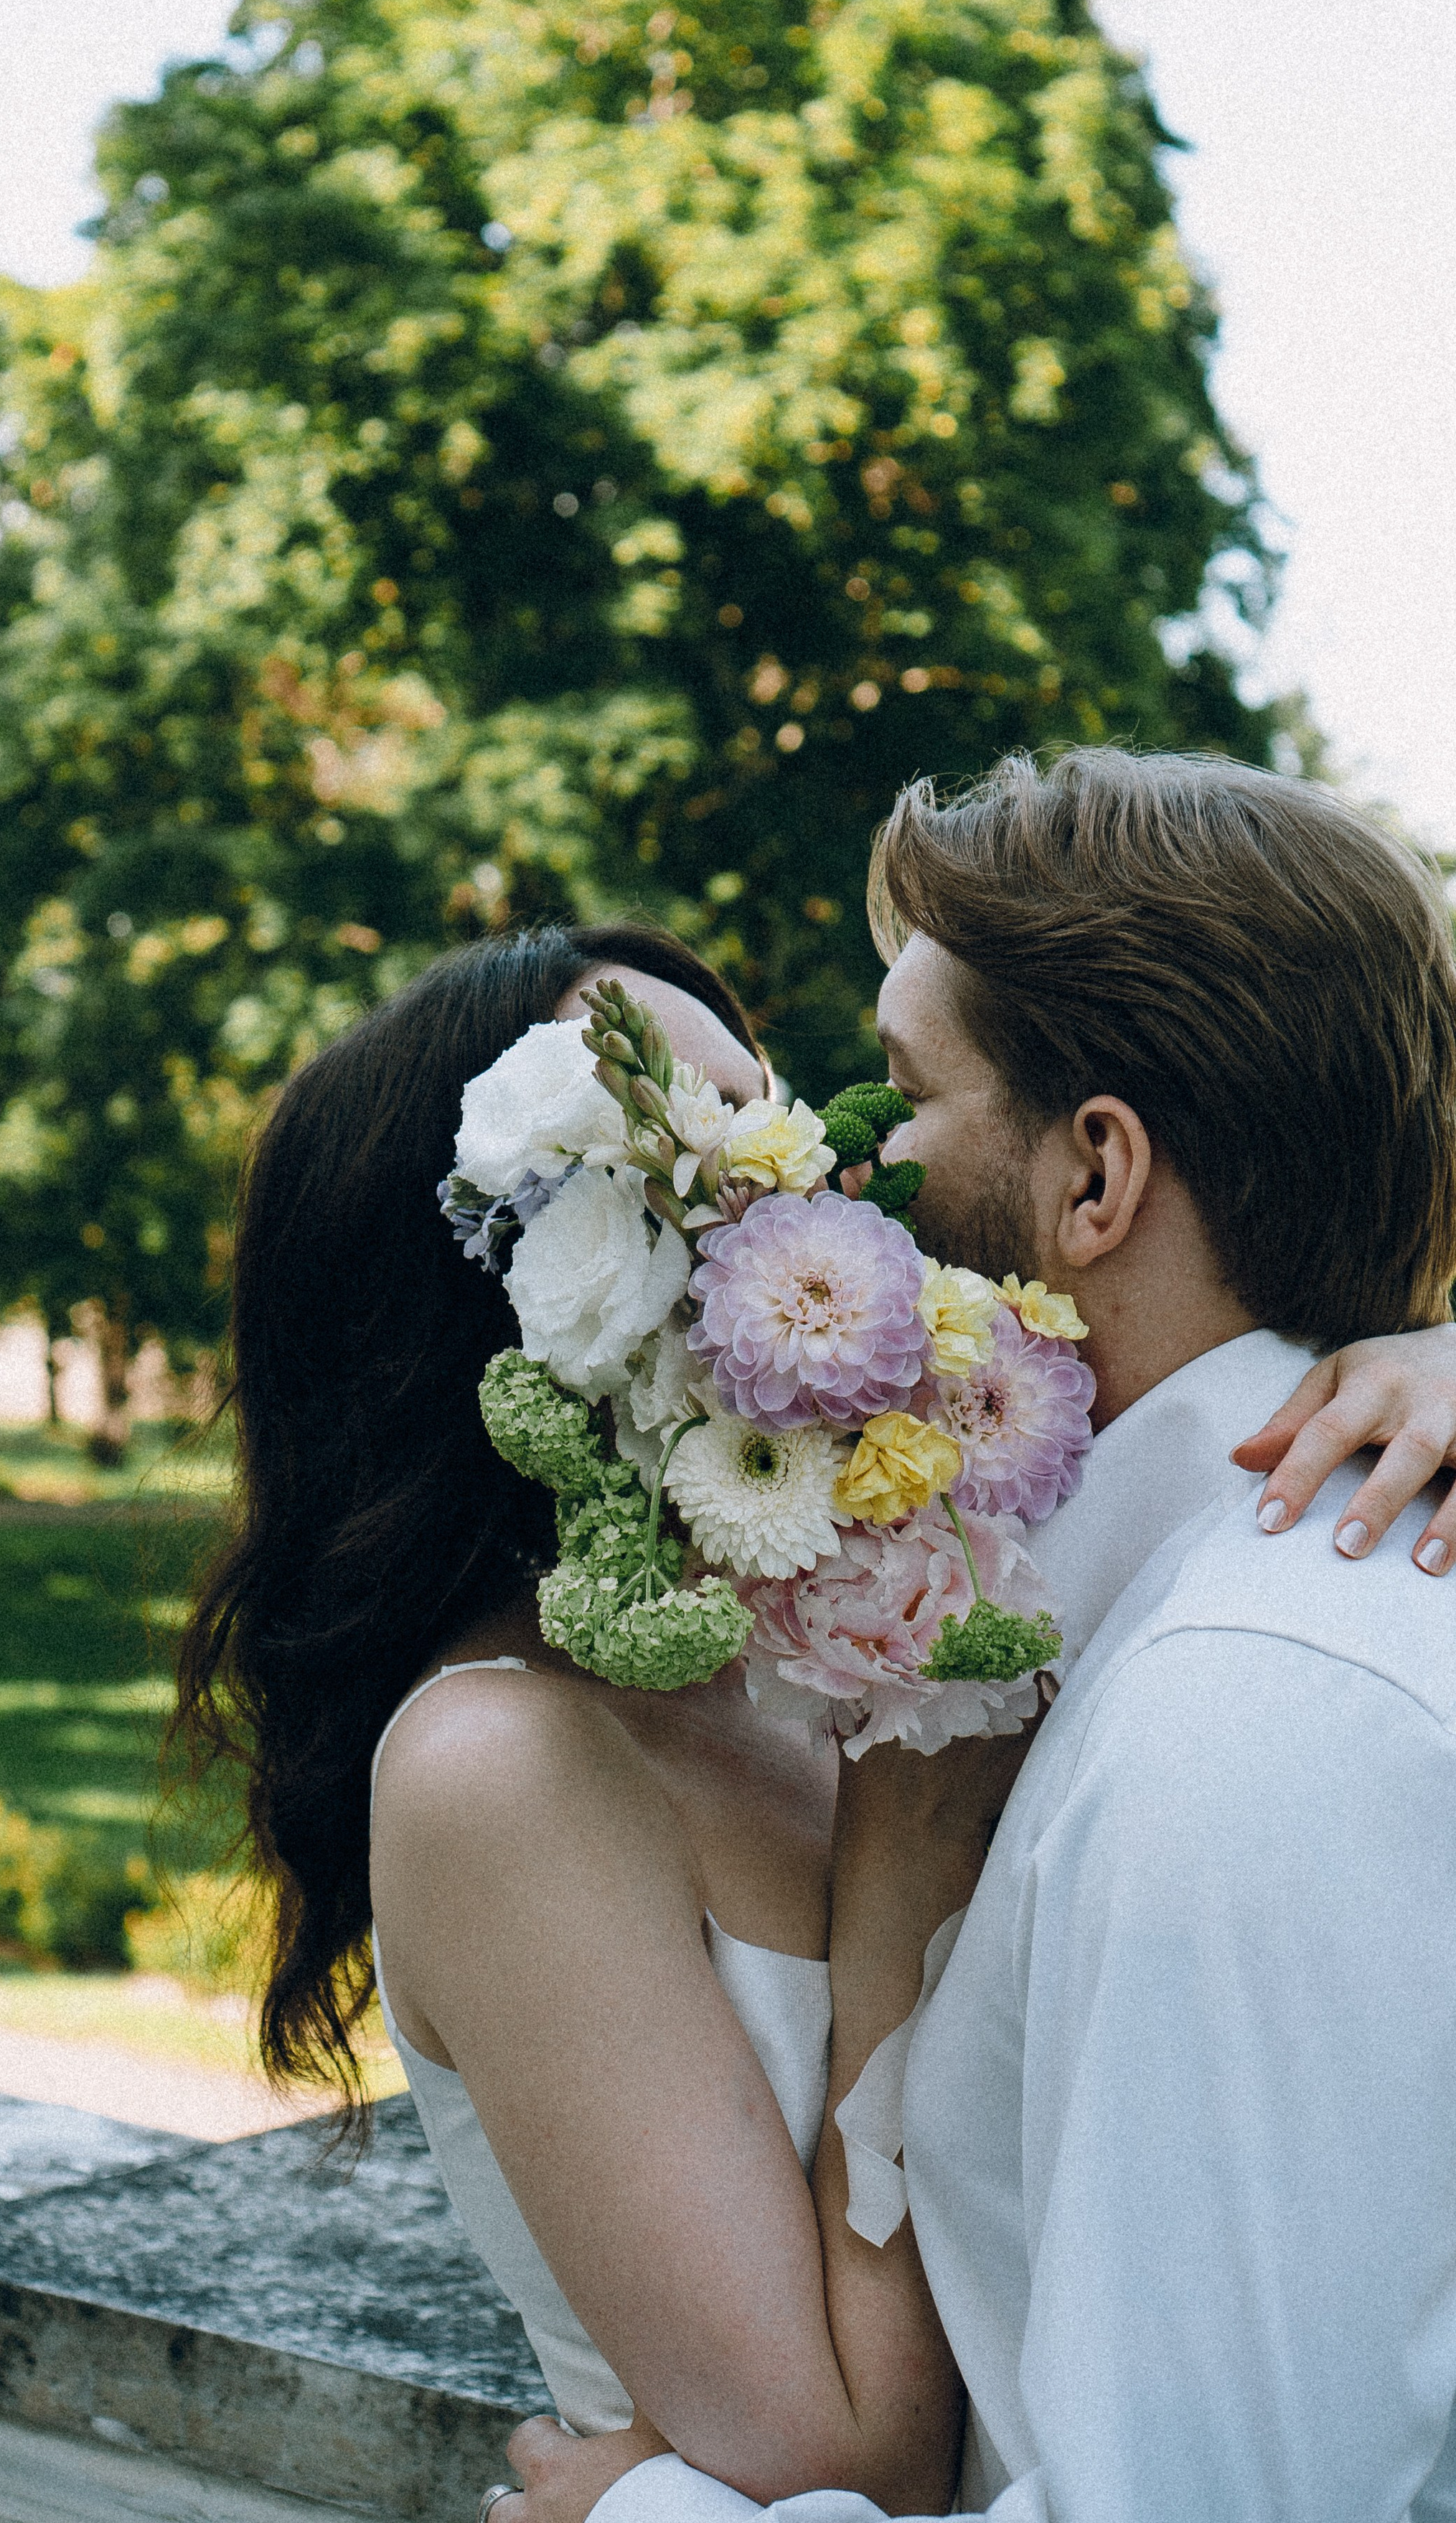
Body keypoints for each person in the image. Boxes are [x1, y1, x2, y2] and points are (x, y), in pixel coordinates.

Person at [169, 887, 1456, 2509]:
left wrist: (1419, 1355)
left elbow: (1200, 1429)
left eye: (770, 1110)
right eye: (705, 1145)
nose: (823, 1176)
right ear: (514, 1273)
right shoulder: (500, 1763)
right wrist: (893, 1891)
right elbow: (841, 2466)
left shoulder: (851, 1612)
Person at [501, 749, 1456, 2523]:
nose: (832, 1185)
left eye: (893, 1100)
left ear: (1093, 1178)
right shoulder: (1139, 1643)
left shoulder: (1244, 1731)